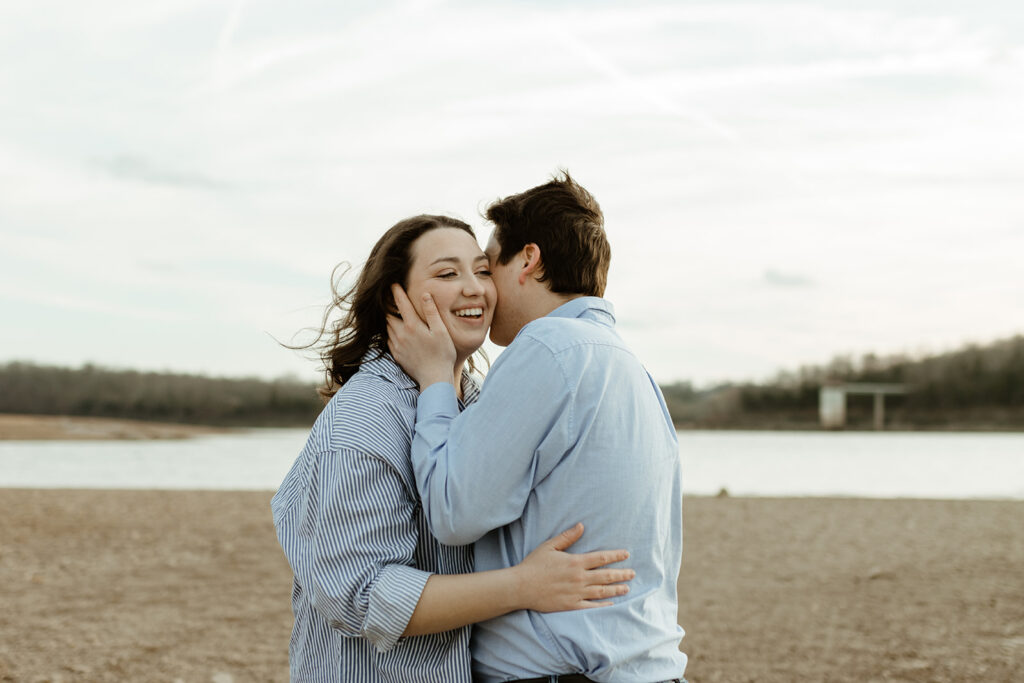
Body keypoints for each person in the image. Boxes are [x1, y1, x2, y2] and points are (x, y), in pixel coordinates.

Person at [271, 214, 636, 683]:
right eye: (447, 274)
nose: (475, 288)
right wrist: (523, 585)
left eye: (482, 271)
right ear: (394, 298)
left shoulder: (478, 400)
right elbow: (362, 596)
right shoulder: (366, 417)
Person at [387, 174, 688, 682]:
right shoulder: (629, 366)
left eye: (487, 266)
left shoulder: (548, 347)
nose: (482, 289)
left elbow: (454, 510)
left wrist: (436, 379)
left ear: (527, 260)